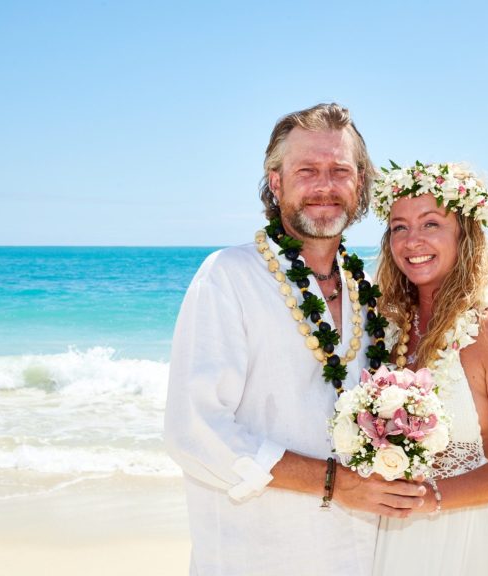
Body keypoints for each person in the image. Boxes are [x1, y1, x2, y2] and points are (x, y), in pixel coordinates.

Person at [163, 104, 426, 576]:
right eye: (307, 170)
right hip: (259, 551)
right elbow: (194, 431)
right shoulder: (228, 277)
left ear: (360, 183)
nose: (324, 185)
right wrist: (335, 483)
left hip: (362, 552)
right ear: (277, 181)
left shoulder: (372, 285)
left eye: (340, 170)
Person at [370, 161, 488, 575]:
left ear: (464, 234)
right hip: (387, 535)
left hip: (464, 540)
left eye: (431, 224)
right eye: (398, 227)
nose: (412, 241)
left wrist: (431, 498)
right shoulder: (388, 330)